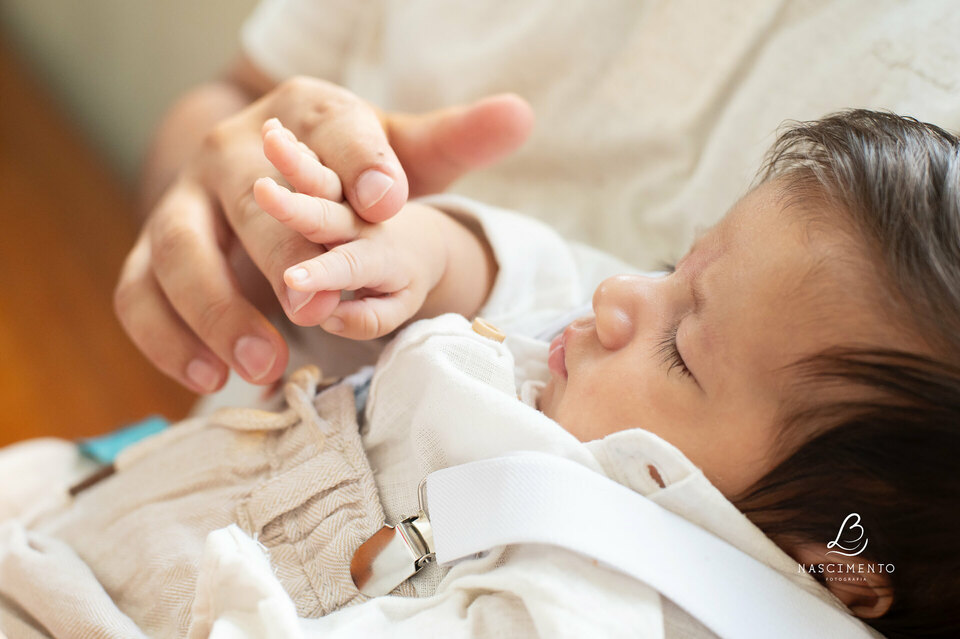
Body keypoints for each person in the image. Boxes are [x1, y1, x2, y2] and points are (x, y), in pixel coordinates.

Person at [0, 110, 957, 638]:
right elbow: (533, 280)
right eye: (677, 269)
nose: (624, 294)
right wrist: (423, 250)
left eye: (683, 346)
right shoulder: (598, 388)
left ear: (836, 553)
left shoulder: (585, 609)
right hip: (74, 503)